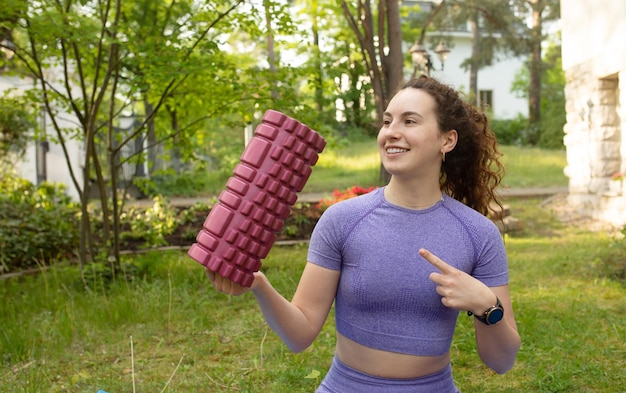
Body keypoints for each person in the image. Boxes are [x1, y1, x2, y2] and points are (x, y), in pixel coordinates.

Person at [207, 75, 521, 392]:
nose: (391, 132)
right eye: (387, 121)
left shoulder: (478, 234)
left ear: (447, 141)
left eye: (409, 121)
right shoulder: (343, 220)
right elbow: (299, 335)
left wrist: (487, 306)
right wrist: (259, 284)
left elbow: (501, 361)